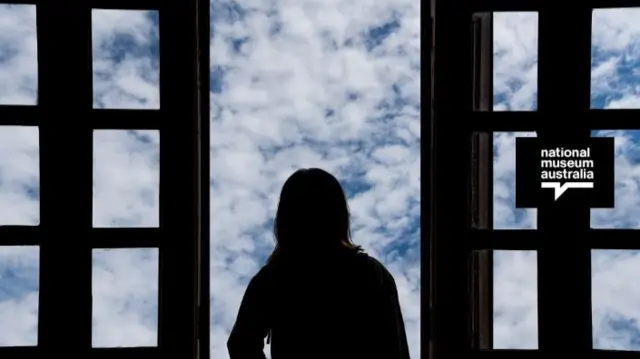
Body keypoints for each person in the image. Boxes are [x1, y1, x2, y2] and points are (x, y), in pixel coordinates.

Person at [227, 168, 411, 359]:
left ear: (285, 219)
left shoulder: (271, 279)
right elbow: (395, 349)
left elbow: (241, 344)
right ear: (339, 215)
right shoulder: (372, 273)